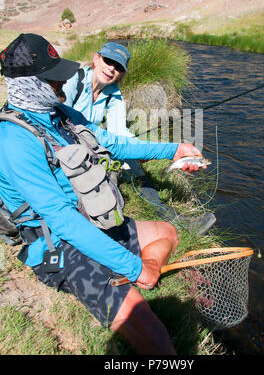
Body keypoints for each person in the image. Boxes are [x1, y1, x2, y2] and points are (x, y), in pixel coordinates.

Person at [0, 33, 204, 355]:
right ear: (28, 84)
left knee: (168, 233)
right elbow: (64, 222)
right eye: (52, 79)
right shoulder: (13, 142)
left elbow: (116, 143)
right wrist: (135, 268)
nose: (60, 85)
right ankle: (131, 273)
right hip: (60, 245)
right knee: (156, 337)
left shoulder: (60, 116)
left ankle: (132, 273)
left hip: (92, 219)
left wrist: (174, 149)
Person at [63, 42, 132, 136]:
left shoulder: (114, 94)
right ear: (96, 59)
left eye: (118, 67)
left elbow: (119, 132)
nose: (111, 68)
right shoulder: (74, 79)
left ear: (121, 74)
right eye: (109, 61)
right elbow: (59, 120)